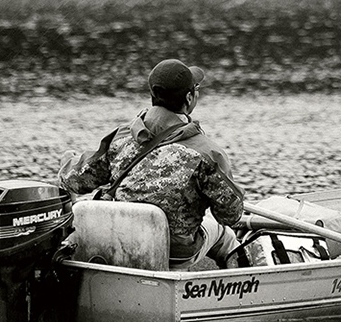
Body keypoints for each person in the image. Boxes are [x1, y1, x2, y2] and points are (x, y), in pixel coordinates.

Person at [58, 58, 247, 269]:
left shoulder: (120, 137)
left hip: (120, 242)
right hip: (173, 253)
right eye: (196, 89)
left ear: (153, 95)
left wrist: (67, 160)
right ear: (189, 98)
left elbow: (74, 181)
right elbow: (230, 214)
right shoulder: (207, 153)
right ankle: (236, 288)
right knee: (224, 233)